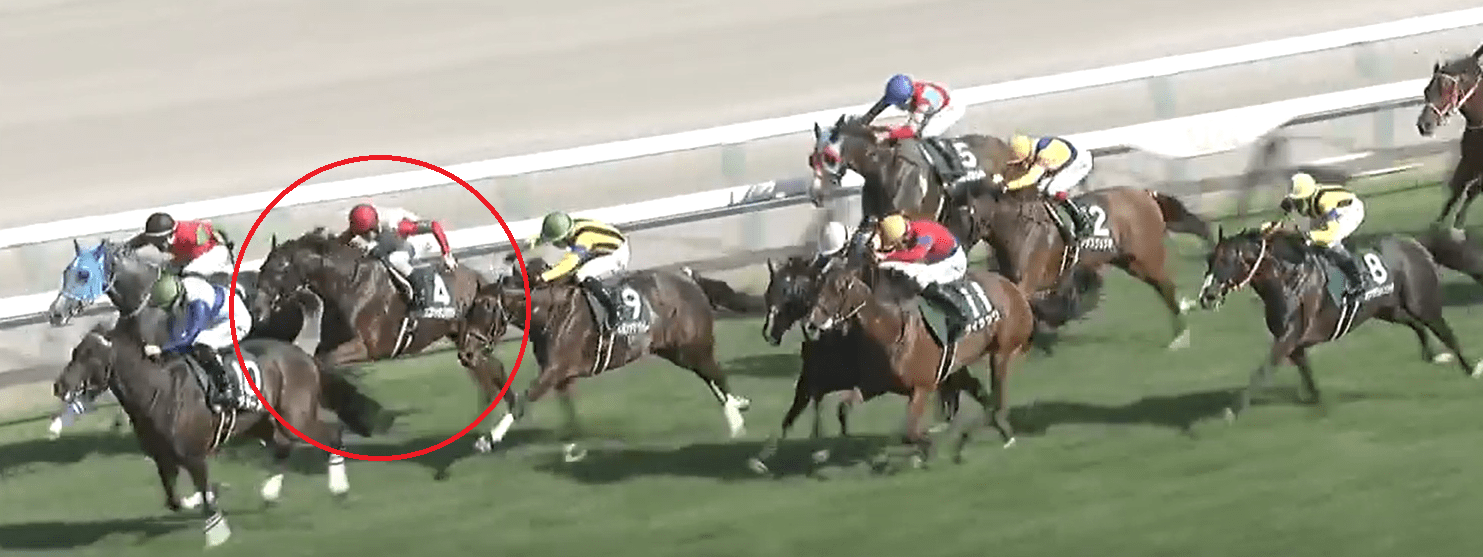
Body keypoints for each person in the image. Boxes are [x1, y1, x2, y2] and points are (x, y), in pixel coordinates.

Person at [143, 273, 254, 412]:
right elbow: (175, 333)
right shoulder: (179, 289)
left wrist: (162, 349)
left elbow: (190, 338)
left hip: (236, 320)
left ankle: (225, 388)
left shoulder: (199, 304)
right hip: (216, 313)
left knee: (202, 341)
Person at [337, 203, 458, 317]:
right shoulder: (361, 225)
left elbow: (434, 226)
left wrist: (446, 254)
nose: (365, 237)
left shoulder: (399, 226)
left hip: (412, 243)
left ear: (375, 226)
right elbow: (340, 242)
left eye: (367, 234)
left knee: (394, 259)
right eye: (362, 234)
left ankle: (420, 290)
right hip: (390, 245)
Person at [1262, 172, 1368, 300]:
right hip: (1326, 211)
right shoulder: (1305, 198)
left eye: (1298, 202)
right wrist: (1273, 225)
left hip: (1349, 211)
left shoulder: (1324, 203)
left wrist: (1311, 236)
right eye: (1294, 201)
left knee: (1330, 243)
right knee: (1308, 235)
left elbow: (1331, 232)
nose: (1296, 206)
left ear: (1306, 197)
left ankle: (1358, 281)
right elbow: (1283, 217)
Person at [872, 214, 972, 340]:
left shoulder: (924, 234)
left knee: (921, 279)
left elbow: (917, 254)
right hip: (937, 259)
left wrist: (887, 256)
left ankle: (959, 316)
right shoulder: (910, 229)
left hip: (952, 263)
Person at [527, 211, 631, 330]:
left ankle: (614, 311)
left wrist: (545, 277)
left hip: (617, 254)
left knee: (581, 275)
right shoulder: (571, 225)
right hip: (600, 248)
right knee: (569, 272)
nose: (554, 244)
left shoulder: (583, 239)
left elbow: (570, 262)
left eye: (556, 242)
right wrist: (535, 243)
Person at [1003, 133, 1096, 241]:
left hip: (1079, 164)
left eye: (1022, 162)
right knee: (1040, 188)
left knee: (1052, 190)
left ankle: (1082, 220)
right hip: (1063, 159)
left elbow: (1031, 178)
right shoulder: (1031, 147)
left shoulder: (1044, 155)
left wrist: (1008, 185)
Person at [125, 212, 237, 282]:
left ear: (170, 236)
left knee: (187, 273)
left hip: (213, 253)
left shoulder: (189, 235)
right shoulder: (164, 235)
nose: (154, 244)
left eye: (158, 241)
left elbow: (214, 228)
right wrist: (124, 248)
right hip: (188, 255)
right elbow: (141, 239)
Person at [858, 74, 965, 141]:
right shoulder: (902, 89)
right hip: (939, 97)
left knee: (924, 134)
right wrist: (864, 121)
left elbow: (911, 130)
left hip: (949, 110)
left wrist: (886, 135)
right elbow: (882, 105)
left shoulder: (923, 103)